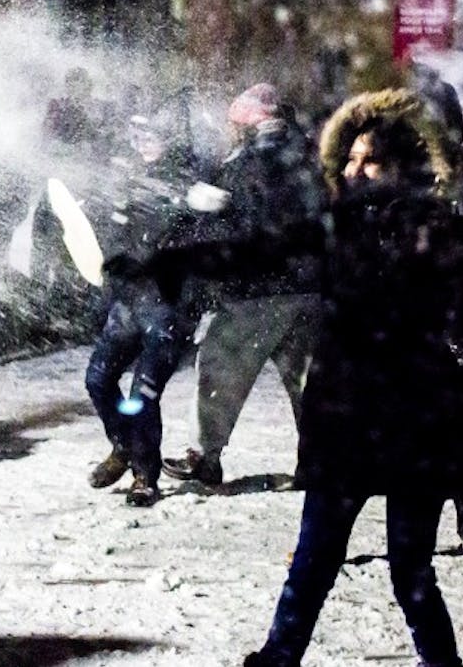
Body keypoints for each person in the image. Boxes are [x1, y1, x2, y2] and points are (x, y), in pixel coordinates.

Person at [243, 89, 463, 667]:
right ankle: (279, 656)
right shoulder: (337, 227)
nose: (353, 170)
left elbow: (436, 294)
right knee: (314, 557)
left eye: (367, 160)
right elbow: (264, 248)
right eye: (349, 160)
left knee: (410, 572)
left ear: (399, 167)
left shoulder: (432, 230)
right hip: (346, 419)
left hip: (411, 420)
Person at [161, 83, 323, 486]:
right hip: (312, 285)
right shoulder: (309, 153)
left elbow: (243, 230)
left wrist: (205, 215)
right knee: (307, 382)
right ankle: (319, 461)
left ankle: (206, 456)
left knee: (219, 367)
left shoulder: (248, 163)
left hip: (258, 289)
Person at [82, 113, 199, 507]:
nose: (145, 142)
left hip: (168, 305)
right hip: (128, 303)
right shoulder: (127, 178)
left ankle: (144, 476)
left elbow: (184, 243)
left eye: (154, 134)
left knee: (141, 393)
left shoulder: (185, 179)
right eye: (139, 134)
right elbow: (112, 242)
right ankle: (123, 446)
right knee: (98, 379)